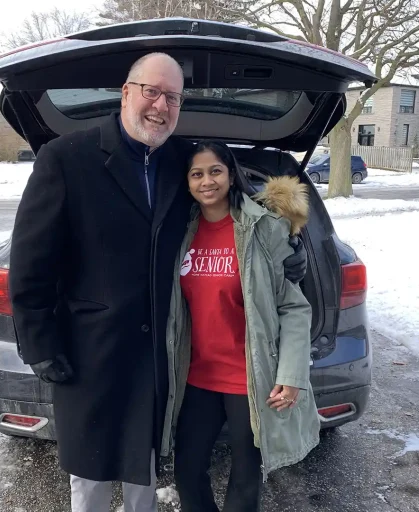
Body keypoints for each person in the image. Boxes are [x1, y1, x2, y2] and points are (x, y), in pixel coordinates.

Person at [8, 52, 308, 512]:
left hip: (164, 354)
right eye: (152, 92)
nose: (161, 106)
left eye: (173, 97)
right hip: (92, 351)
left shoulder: (180, 161)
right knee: (89, 473)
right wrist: (39, 343)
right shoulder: (66, 158)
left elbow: (240, 208)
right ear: (126, 92)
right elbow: (31, 263)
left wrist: (291, 248)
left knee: (145, 468)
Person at [160, 141, 321, 512]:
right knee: (187, 470)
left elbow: (293, 307)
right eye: (196, 174)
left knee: (246, 478)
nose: (206, 181)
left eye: (215, 171)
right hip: (196, 374)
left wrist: (292, 374)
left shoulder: (262, 228)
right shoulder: (179, 231)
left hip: (248, 376)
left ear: (230, 175)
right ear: (186, 182)